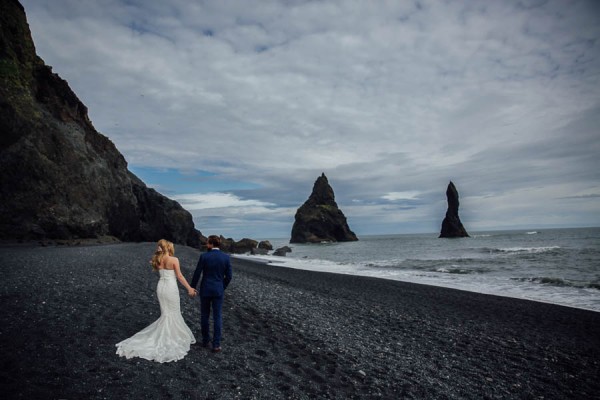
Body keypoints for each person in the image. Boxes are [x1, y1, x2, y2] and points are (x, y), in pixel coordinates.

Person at [116, 239, 197, 363]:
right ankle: (171, 336)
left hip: (161, 287)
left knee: (165, 313)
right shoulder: (174, 260)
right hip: (170, 288)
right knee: (173, 311)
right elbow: (180, 276)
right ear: (168, 248)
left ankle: (168, 333)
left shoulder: (157, 260)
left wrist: (157, 255)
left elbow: (155, 264)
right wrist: (189, 288)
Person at [190, 235, 233, 353]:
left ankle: (205, 341)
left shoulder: (204, 256)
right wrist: (222, 287)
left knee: (205, 315)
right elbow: (229, 276)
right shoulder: (226, 257)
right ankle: (216, 344)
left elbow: (197, 273)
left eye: (207, 243)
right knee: (217, 316)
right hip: (218, 290)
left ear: (211, 244)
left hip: (206, 289)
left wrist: (192, 287)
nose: (206, 245)